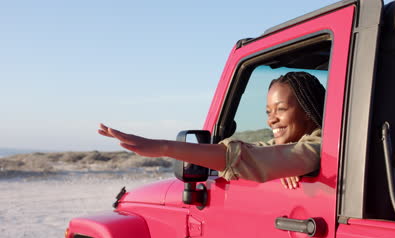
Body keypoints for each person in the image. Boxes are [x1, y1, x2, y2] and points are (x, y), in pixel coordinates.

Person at [99, 71, 325, 189]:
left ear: (307, 110)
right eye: (268, 112)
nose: (271, 121)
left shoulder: (321, 146)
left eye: (281, 109)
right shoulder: (297, 149)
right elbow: (260, 151)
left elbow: (248, 158)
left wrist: (163, 147)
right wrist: (283, 164)